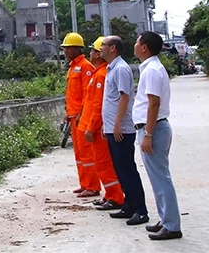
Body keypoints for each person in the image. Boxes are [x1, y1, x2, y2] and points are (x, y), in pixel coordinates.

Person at [132, 31, 183, 240]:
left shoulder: (152, 70)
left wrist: (148, 134)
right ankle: (165, 219)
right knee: (157, 178)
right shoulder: (150, 68)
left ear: (144, 47)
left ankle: (172, 225)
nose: (134, 44)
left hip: (153, 128)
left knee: (161, 179)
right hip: (151, 128)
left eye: (137, 41)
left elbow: (154, 104)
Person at [100, 35, 149, 226]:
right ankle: (129, 205)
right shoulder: (111, 69)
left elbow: (124, 98)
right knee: (120, 170)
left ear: (113, 48)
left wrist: (118, 124)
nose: (100, 48)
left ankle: (141, 210)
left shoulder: (120, 69)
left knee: (128, 170)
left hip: (121, 129)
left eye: (103, 45)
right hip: (113, 128)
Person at [78, 36, 126, 210]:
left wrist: (91, 127)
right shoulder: (99, 73)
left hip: (97, 128)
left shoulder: (101, 75)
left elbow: (98, 105)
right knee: (101, 164)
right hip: (95, 126)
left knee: (104, 164)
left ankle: (115, 197)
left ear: (99, 53)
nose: (90, 53)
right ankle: (110, 194)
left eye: (93, 50)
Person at [62, 32, 100, 198]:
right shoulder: (72, 67)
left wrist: (82, 113)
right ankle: (84, 184)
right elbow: (72, 94)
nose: (65, 51)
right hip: (73, 116)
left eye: (68, 48)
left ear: (77, 49)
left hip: (81, 117)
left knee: (86, 154)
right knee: (79, 154)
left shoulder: (85, 67)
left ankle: (92, 186)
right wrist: (68, 113)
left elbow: (88, 94)